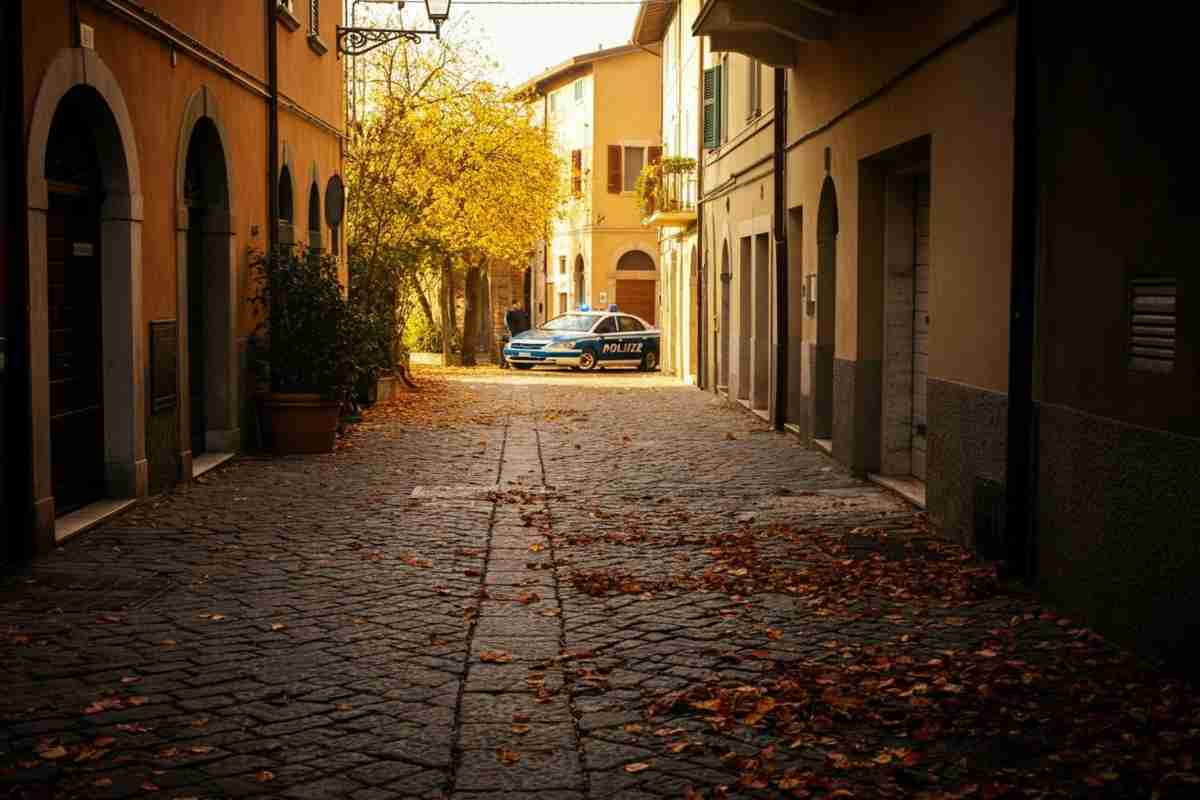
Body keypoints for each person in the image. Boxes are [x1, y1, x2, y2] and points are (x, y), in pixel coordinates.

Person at [500, 301, 530, 369]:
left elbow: (525, 323)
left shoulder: (522, 312)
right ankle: (505, 363)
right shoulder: (510, 313)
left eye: (520, 304)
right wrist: (512, 333)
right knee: (510, 348)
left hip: (523, 334)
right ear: (514, 305)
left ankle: (520, 363)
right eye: (518, 304)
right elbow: (508, 324)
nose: (519, 305)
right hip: (514, 334)